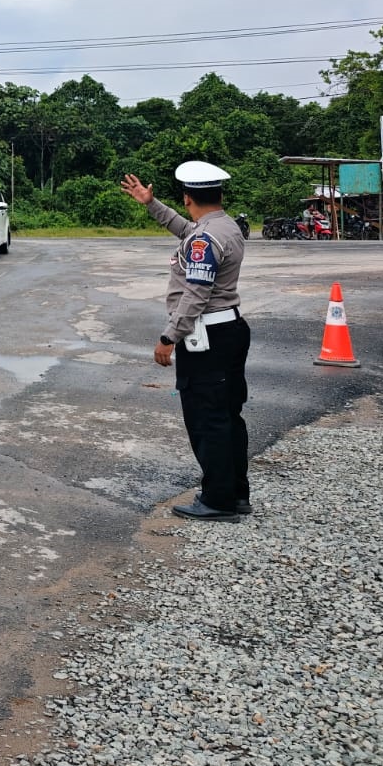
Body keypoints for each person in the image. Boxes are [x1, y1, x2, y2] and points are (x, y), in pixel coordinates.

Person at [120, 161, 251, 522]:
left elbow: (195, 293)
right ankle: (236, 494)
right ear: (219, 194)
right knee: (227, 415)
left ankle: (218, 501)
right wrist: (151, 203)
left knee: (208, 420)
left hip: (207, 338)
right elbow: (187, 231)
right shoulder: (224, 226)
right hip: (230, 330)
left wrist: (169, 337)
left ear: (188, 196)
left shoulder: (205, 239)